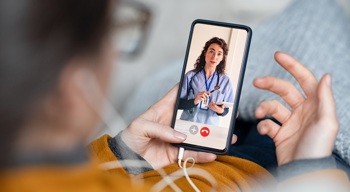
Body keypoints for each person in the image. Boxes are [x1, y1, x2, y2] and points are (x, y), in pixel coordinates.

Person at [1, 0, 349, 191]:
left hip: (199, 149)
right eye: (117, 33)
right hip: (277, 169)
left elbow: (226, 99)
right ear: (73, 87)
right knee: (318, 17)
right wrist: (311, 169)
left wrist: (123, 155)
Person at [179, 37, 234, 125]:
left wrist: (219, 111)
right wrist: (194, 101)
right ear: (205, 53)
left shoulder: (225, 81)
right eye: (211, 51)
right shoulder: (190, 76)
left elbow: (226, 110)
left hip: (209, 128)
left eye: (219, 54)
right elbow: (178, 104)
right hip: (187, 123)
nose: (214, 57)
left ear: (222, 58)